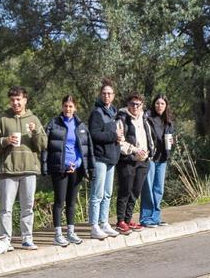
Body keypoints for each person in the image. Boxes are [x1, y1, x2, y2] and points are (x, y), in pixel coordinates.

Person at [0, 86, 47, 249]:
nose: (15, 103)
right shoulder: (3, 118)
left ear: (25, 100)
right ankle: (5, 240)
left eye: (18, 99)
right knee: (5, 209)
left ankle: (27, 238)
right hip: (8, 170)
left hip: (29, 170)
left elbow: (43, 145)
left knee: (27, 208)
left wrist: (35, 132)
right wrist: (5, 141)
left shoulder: (34, 119)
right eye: (12, 100)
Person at [44, 95, 93, 246]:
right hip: (60, 168)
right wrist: (62, 164)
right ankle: (58, 234)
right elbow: (46, 147)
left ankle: (71, 232)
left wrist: (77, 163)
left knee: (71, 202)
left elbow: (84, 148)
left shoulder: (80, 125)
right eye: (65, 106)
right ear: (62, 107)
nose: (67, 109)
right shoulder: (54, 123)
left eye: (70, 106)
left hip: (76, 168)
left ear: (75, 108)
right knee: (59, 201)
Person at [114, 94, 154, 233]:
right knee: (125, 190)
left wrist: (149, 152)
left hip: (143, 161)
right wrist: (135, 151)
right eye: (132, 104)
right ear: (128, 104)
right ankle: (120, 221)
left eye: (138, 104)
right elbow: (120, 142)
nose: (135, 107)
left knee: (135, 191)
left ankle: (128, 219)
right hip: (127, 161)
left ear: (142, 105)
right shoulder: (121, 119)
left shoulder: (144, 119)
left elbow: (149, 137)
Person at [87, 79, 121, 240]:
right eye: (104, 93)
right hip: (100, 158)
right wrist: (113, 136)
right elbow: (94, 135)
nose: (107, 96)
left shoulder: (114, 113)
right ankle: (94, 225)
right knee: (97, 193)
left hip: (112, 158)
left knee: (107, 193)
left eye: (109, 93)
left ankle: (104, 222)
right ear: (100, 95)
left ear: (113, 96)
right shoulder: (97, 113)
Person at [140, 94, 174, 227]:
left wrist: (172, 141)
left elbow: (169, 137)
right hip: (151, 157)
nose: (159, 106)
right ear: (154, 104)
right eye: (157, 103)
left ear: (166, 106)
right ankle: (146, 219)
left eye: (162, 104)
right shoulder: (148, 117)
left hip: (163, 157)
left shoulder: (168, 120)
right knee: (148, 188)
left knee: (158, 189)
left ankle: (156, 218)